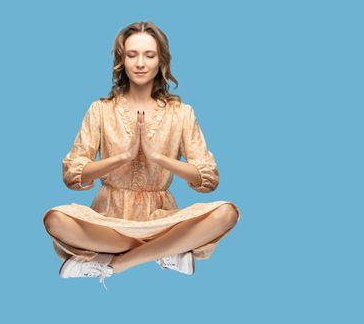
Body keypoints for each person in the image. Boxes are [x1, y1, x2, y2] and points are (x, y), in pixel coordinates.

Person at [42, 21, 241, 290]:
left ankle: (115, 264)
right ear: (121, 60)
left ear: (162, 61)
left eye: (149, 55)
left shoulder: (182, 113)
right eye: (132, 54)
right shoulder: (100, 110)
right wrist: (121, 157)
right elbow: (72, 175)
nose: (140, 63)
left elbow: (208, 180)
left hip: (162, 220)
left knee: (227, 213)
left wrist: (159, 158)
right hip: (108, 222)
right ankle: (168, 250)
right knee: (55, 219)